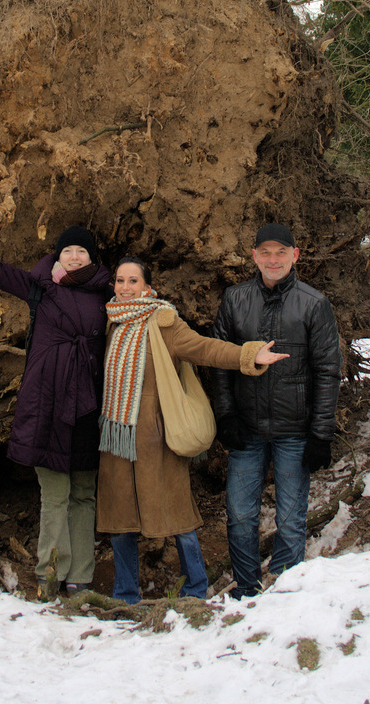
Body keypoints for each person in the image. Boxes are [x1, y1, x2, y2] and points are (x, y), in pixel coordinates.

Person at [0, 208, 112, 599]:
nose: (75, 257)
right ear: (58, 256)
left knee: (84, 493)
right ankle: (49, 575)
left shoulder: (108, 293)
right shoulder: (40, 286)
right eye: (68, 250)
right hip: (48, 404)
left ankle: (81, 575)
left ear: (93, 258)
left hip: (89, 407)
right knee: (55, 494)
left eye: (82, 251)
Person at [96, 256, 289, 604]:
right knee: (119, 517)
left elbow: (204, 348)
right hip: (116, 437)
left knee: (178, 514)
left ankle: (195, 588)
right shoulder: (112, 321)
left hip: (156, 438)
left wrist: (249, 356)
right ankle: (125, 594)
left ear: (148, 287)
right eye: (120, 281)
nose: (125, 288)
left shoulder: (163, 321)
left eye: (133, 281)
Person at [211, 222, 341, 599]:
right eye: (265, 252)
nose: (273, 259)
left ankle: (285, 592)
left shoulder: (313, 303)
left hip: (294, 432)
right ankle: (247, 588)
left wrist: (320, 433)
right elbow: (220, 361)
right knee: (240, 516)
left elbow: (328, 371)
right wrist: (227, 415)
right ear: (253, 256)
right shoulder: (235, 299)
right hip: (246, 430)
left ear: (295, 255)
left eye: (281, 252)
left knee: (289, 519)